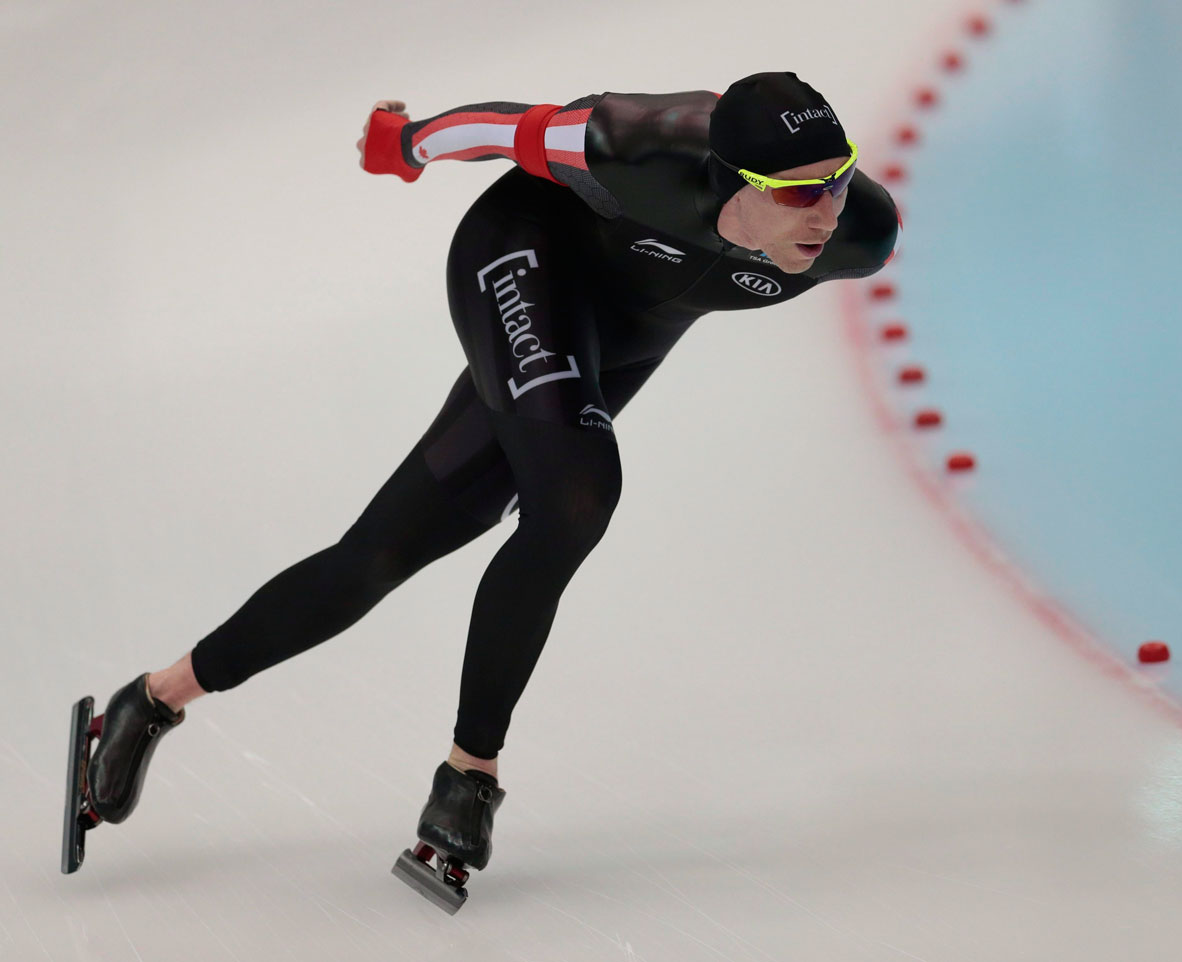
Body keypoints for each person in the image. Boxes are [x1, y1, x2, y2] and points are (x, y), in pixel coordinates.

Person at [75, 71, 901, 880]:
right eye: (798, 195)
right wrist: (403, 145)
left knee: (378, 555)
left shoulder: (861, 233)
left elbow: (835, 212)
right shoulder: (635, 144)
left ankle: (145, 702)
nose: (826, 211)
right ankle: (471, 776)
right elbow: (506, 128)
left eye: (837, 179)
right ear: (728, 178)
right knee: (577, 496)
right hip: (525, 253)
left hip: (622, 338)